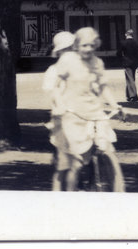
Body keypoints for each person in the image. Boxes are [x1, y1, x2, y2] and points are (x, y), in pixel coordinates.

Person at [54, 26, 122, 191]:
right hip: (74, 116)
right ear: (77, 46)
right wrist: (60, 105)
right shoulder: (68, 60)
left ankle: (120, 196)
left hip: (96, 114)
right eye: (84, 45)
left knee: (111, 156)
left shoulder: (98, 63)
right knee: (77, 164)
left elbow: (103, 87)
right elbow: (57, 85)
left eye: (92, 45)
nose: (89, 49)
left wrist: (114, 104)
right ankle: (69, 196)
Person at [42, 30, 76, 190]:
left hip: (81, 117)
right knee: (63, 166)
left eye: (72, 48)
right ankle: (57, 195)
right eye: (66, 49)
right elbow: (51, 94)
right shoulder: (53, 70)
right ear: (60, 52)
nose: (70, 52)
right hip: (62, 119)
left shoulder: (80, 68)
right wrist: (60, 107)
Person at [119, 29, 138, 102]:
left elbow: (118, 53)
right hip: (134, 63)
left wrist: (122, 61)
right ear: (132, 35)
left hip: (126, 63)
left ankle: (133, 96)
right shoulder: (137, 43)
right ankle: (128, 95)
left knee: (130, 79)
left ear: (126, 34)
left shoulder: (123, 43)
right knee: (131, 79)